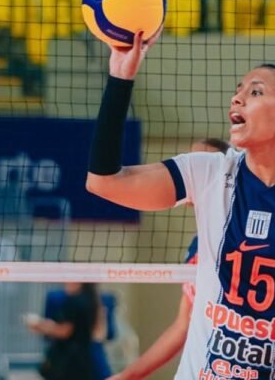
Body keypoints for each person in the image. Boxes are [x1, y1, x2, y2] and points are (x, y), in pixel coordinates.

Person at [86, 30, 275, 380]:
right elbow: (103, 182)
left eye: (255, 92)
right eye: (238, 90)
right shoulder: (207, 172)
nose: (237, 98)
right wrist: (120, 77)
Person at [109, 138, 231, 380]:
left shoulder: (244, 240)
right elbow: (182, 325)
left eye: (205, 162)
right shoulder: (197, 245)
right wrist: (127, 375)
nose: (196, 168)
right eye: (192, 160)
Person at [39, 283, 116, 380]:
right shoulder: (101, 300)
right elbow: (103, 334)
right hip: (92, 357)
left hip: (70, 358)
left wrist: (42, 327)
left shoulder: (72, 300)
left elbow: (65, 331)